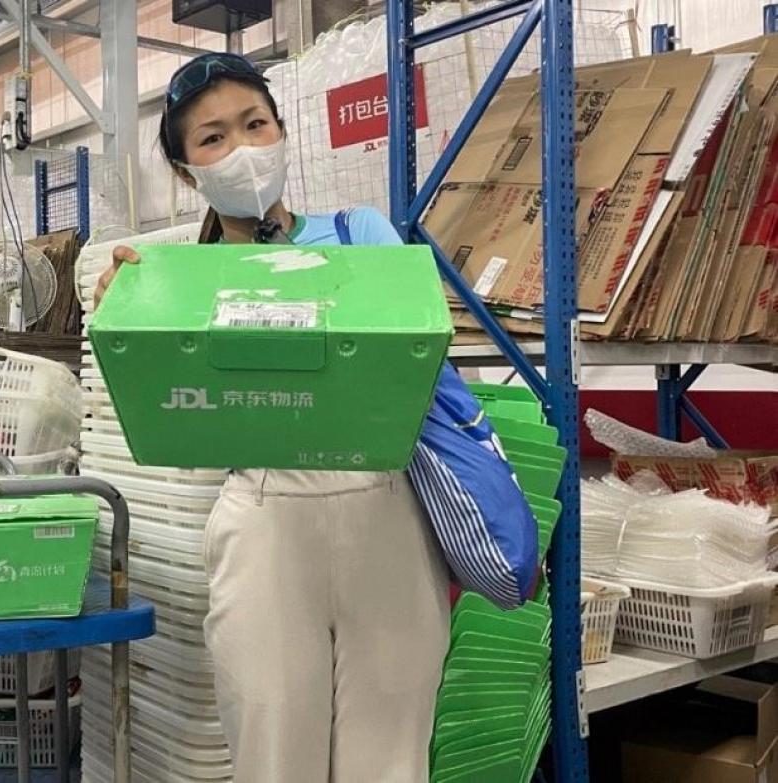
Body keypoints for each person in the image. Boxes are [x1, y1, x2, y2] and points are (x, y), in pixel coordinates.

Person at [93, 53, 530, 782]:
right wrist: (129, 302)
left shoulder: (359, 232)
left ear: (282, 130)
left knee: (389, 760)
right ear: (184, 170)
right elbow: (160, 400)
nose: (242, 149)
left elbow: (412, 345)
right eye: (212, 139)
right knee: (272, 753)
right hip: (265, 524)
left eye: (254, 124)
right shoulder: (176, 275)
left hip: (386, 515)